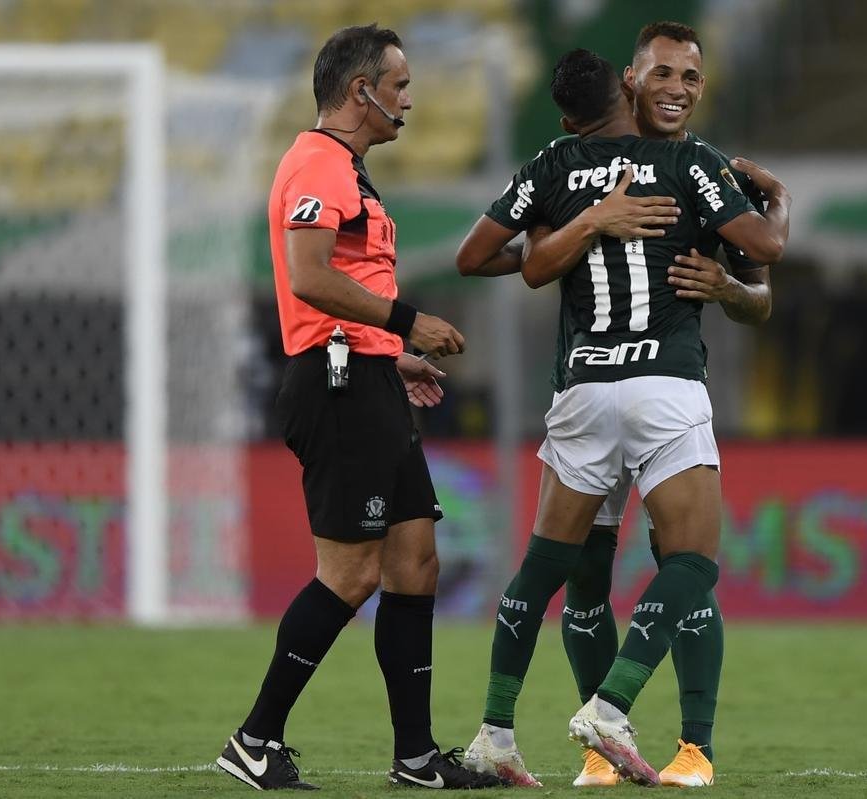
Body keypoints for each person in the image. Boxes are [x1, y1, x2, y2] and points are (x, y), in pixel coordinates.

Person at [456, 22, 781, 788]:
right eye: (662, 74)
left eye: (691, 78)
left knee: (552, 571)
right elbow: (764, 249)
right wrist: (783, 206)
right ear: (630, 82)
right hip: (663, 387)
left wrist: (572, 234)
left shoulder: (558, 163)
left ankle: (498, 733)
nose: (677, 88)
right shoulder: (696, 164)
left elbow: (495, 260)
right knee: (691, 560)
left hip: (582, 394)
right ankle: (616, 713)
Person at [214, 24, 499, 791]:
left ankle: (415, 760)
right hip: (334, 387)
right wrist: (405, 321)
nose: (409, 99)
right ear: (358, 91)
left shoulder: (347, 169)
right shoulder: (317, 162)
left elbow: (334, 285)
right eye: (400, 84)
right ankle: (254, 738)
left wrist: (387, 354)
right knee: (350, 572)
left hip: (362, 373)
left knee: (415, 563)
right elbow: (308, 277)